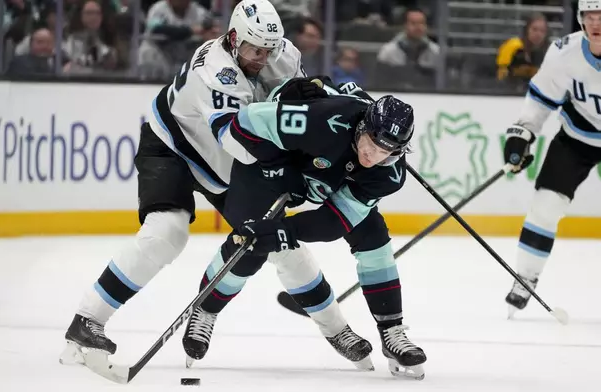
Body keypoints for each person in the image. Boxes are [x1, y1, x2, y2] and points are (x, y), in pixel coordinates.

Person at [60, 0, 372, 372]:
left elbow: (298, 104)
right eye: (255, 49)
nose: (263, 57)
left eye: (269, 49)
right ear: (234, 38)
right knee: (167, 233)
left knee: (280, 243)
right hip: (175, 147)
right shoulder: (215, 71)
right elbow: (239, 142)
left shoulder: (283, 54)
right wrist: (295, 156)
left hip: (226, 163)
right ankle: (86, 320)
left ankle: (338, 330)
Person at [183, 80, 427, 380]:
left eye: (386, 152)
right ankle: (205, 309)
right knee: (252, 241)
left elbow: (336, 220)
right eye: (371, 144)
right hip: (272, 171)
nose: (373, 157)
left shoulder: (388, 174)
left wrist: (284, 230)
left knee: (373, 237)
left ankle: (392, 333)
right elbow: (245, 121)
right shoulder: (323, 119)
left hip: (326, 179)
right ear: (362, 126)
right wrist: (276, 158)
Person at [502, 0, 601, 317]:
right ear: (579, 19)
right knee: (545, 206)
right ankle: (525, 277)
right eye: (589, 16)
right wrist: (522, 133)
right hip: (577, 137)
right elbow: (540, 99)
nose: (596, 23)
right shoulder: (564, 51)